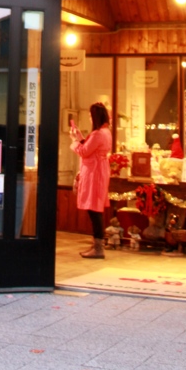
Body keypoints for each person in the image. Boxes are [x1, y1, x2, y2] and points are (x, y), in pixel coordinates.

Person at [70, 102, 112, 259]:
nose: (89, 117)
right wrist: (80, 137)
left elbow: (84, 151)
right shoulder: (105, 132)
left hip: (94, 173)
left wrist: (75, 141)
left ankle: (98, 247)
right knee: (95, 208)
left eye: (90, 114)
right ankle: (97, 245)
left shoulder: (98, 134)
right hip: (99, 171)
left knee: (94, 209)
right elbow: (89, 147)